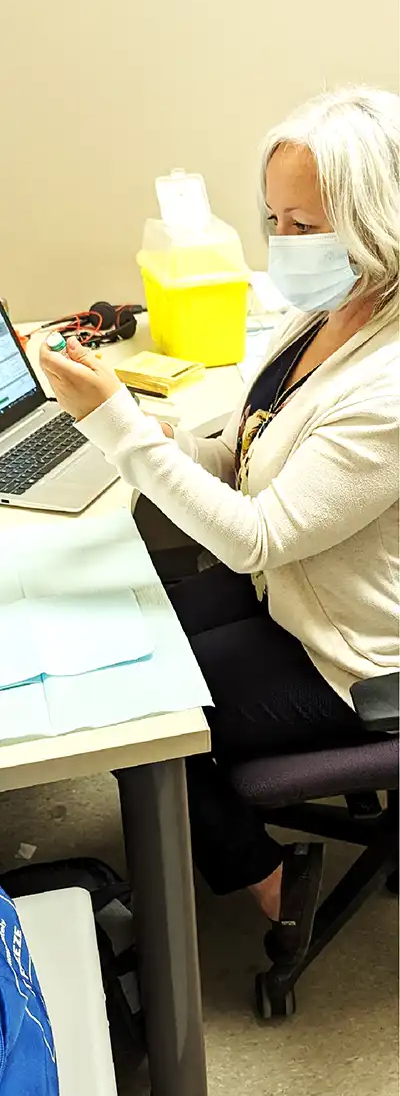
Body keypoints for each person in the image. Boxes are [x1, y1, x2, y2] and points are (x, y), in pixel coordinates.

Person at [40, 85, 399, 978]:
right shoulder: (327, 312)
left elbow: (254, 536)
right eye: (274, 217)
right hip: (297, 595)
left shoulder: (390, 382)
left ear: (373, 219)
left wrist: (119, 423)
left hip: (356, 650)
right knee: (126, 626)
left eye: (304, 222)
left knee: (138, 708)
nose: (283, 243)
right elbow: (252, 448)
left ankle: (272, 878)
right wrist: (160, 437)